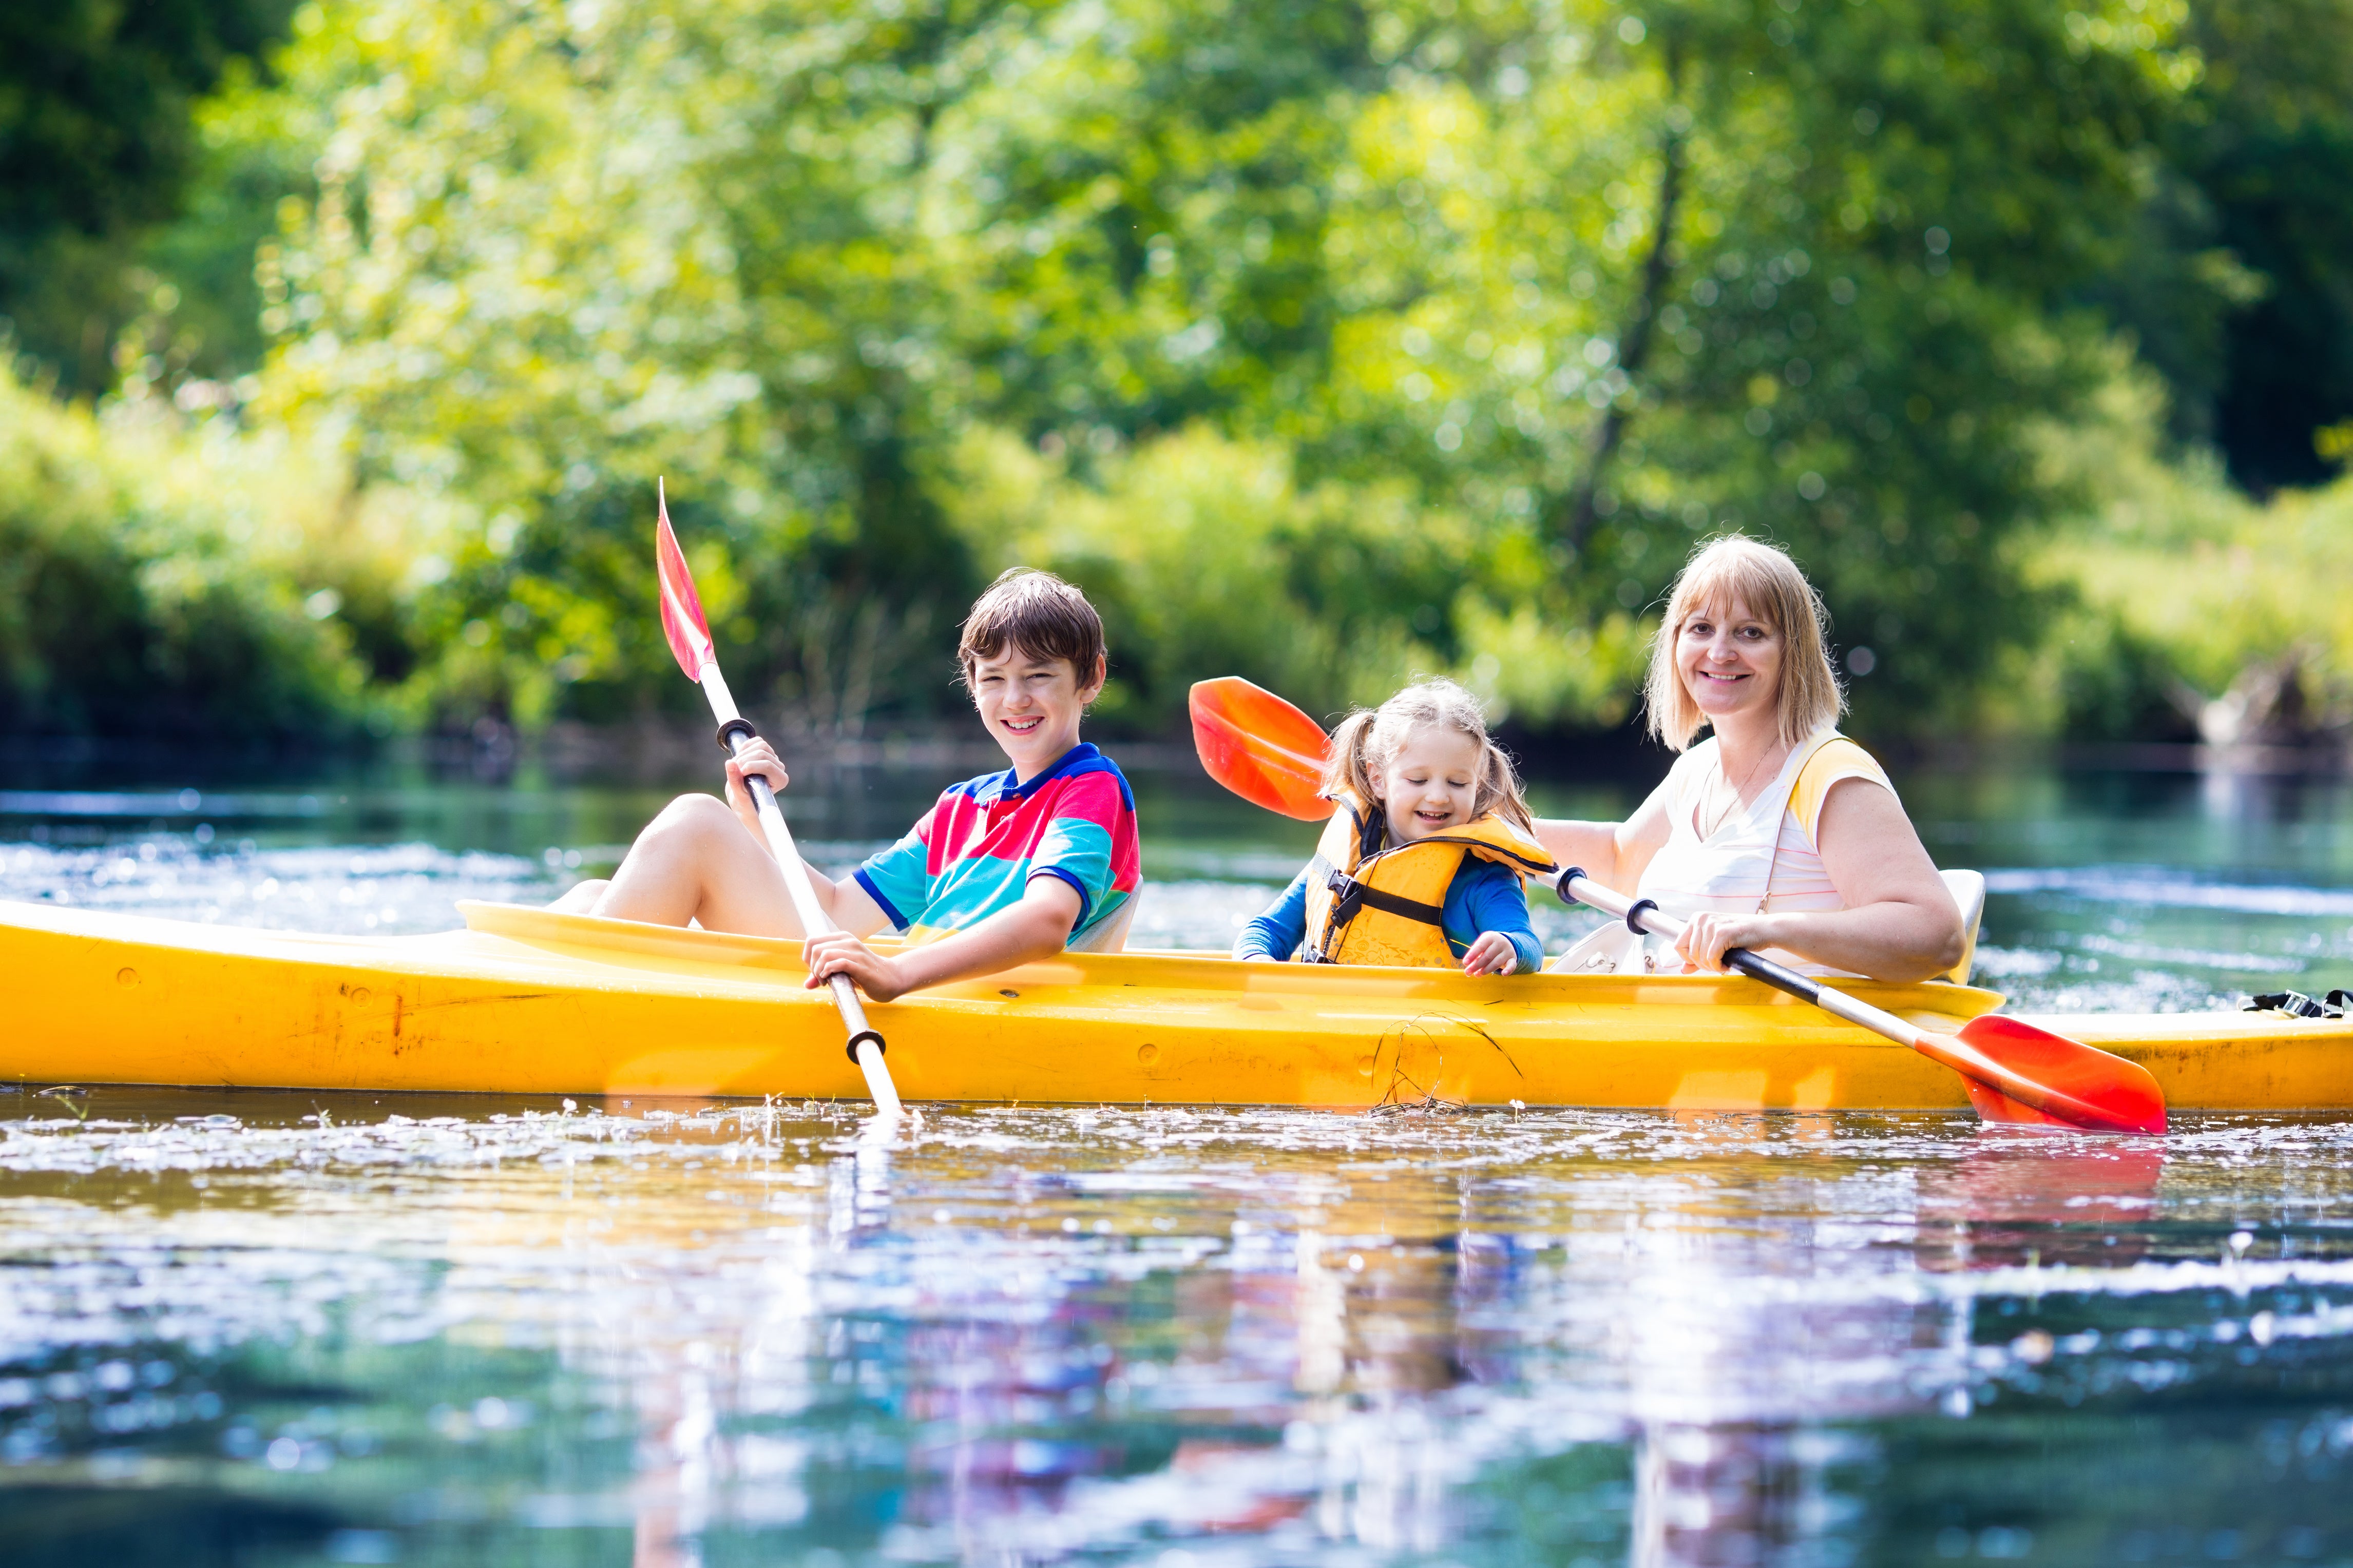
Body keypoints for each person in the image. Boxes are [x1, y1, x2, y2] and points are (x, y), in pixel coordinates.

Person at [554, 568, 1140, 1001]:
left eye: (1038, 676)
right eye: (995, 678)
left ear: (1089, 678)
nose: (1015, 699)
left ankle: (559, 1007)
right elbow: (837, 910)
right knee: (591, 896)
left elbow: (1046, 922)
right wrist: (753, 816)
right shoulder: (962, 807)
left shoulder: (1091, 788)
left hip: (977, 1001)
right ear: (971, 683)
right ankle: (526, 988)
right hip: (920, 988)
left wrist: (898, 974)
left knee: (691, 822)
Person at [1536, 536, 1963, 981]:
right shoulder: (1697, 769)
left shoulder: (1828, 773)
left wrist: (1768, 931)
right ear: (1676, 640)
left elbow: (1937, 934)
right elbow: (1620, 860)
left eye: (1750, 632)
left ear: (1791, 653)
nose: (1719, 652)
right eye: (1700, 628)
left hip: (1798, 1040)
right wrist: (1492, 829)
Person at [1233, 678, 1552, 974]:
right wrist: (1258, 963)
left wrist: (1510, 947)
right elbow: (1264, 932)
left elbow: (1529, 945)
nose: (1439, 796)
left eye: (1457, 783)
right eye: (1418, 780)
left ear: (1478, 785)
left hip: (1430, 1027)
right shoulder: (1345, 860)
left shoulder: (1482, 877)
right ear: (1378, 779)